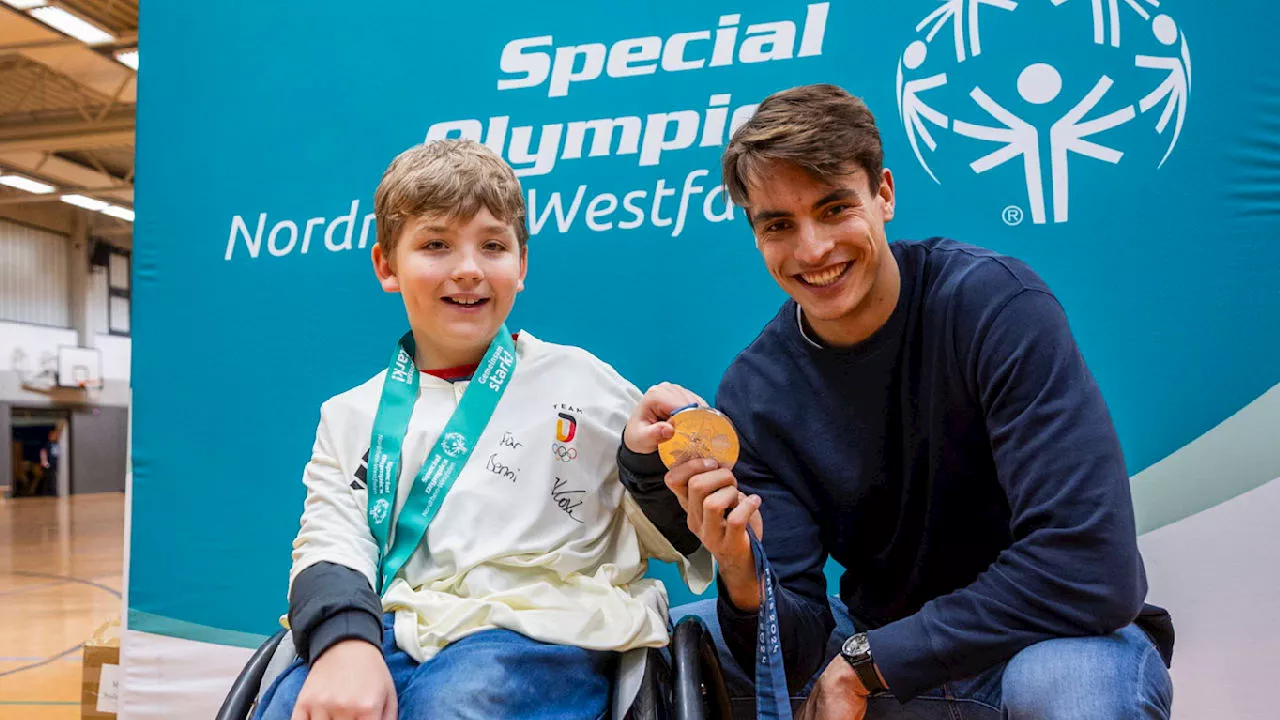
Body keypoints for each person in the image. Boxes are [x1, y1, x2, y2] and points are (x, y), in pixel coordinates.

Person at [618, 83, 1174, 719]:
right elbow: (793, 645)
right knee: (656, 640)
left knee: (1069, 687)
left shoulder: (997, 307)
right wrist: (742, 569)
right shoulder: (756, 389)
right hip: (877, 644)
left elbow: (1089, 568)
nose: (813, 250)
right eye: (779, 225)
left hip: (1048, 640)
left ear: (883, 193)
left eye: (833, 209)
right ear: (755, 233)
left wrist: (866, 664)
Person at [254, 139, 712, 720]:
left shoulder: (584, 382)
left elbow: (671, 540)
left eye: (493, 245)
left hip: (549, 629)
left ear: (521, 265)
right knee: (296, 702)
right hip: (400, 630)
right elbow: (332, 541)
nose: (468, 269)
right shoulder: (350, 415)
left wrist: (646, 466)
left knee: (458, 701)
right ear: (386, 266)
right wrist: (346, 644)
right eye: (436, 245)